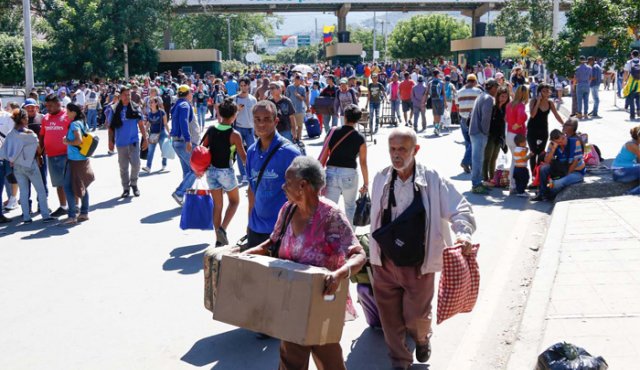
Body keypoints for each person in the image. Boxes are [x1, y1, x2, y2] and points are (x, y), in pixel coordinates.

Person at [245, 156, 366, 370]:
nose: (283, 187)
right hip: (291, 300)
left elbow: (358, 255)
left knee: (329, 361)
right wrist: (247, 254)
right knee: (291, 359)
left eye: (287, 182)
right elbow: (273, 241)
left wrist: (339, 274)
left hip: (322, 301)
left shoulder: (331, 216)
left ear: (303, 185)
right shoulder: (288, 209)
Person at [369, 127, 476, 370]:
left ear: (415, 150)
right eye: (392, 149)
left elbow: (460, 208)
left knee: (416, 317)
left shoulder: (432, 179)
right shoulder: (381, 178)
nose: (396, 155)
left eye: (402, 150)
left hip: (419, 265)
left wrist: (463, 233)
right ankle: (400, 362)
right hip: (385, 263)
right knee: (389, 319)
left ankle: (421, 338)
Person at [245, 100, 301, 249]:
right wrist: (249, 223)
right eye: (257, 119)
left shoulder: (290, 153)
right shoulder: (251, 152)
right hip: (255, 229)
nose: (261, 124)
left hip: (282, 230)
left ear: (276, 121)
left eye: (267, 119)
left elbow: (303, 194)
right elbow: (251, 190)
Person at [202, 98, 247, 247]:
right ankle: (223, 229)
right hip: (226, 172)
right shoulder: (234, 134)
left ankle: (218, 239)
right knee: (234, 201)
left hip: (211, 171)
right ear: (234, 116)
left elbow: (202, 149)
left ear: (219, 113)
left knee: (218, 205)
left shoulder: (211, 130)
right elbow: (243, 157)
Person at [0, 109, 53, 225]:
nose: (28, 119)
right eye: (26, 118)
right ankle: (45, 215)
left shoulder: (10, 134)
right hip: (31, 165)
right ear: (23, 120)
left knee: (23, 192)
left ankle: (26, 217)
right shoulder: (30, 134)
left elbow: (3, 152)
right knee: (41, 190)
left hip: (17, 166)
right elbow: (39, 150)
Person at [319, 104, 368, 228]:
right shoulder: (360, 137)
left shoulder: (333, 131)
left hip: (331, 173)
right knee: (350, 206)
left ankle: (328, 236)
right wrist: (366, 183)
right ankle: (351, 238)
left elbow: (325, 153)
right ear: (357, 120)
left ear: (344, 117)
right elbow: (363, 162)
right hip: (349, 174)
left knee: (329, 207)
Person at [109, 86, 147, 198]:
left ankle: (134, 184)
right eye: (125, 95)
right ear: (120, 96)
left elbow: (141, 124)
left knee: (136, 164)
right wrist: (110, 141)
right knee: (123, 167)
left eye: (129, 95)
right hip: (121, 143)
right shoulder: (114, 109)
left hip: (133, 141)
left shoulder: (135, 108)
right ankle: (126, 188)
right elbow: (111, 127)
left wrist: (145, 138)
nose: (127, 97)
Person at [533, 122, 585, 201]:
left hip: (575, 172)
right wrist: (553, 149)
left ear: (564, 135)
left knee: (557, 183)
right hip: (561, 170)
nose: (562, 142)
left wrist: (566, 175)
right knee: (543, 168)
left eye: (563, 139)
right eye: (559, 142)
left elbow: (576, 161)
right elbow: (547, 161)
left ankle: (547, 194)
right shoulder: (552, 145)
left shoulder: (575, 142)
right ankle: (542, 193)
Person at [60, 103, 94, 225]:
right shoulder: (83, 122)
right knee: (83, 185)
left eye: (68, 111)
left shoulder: (74, 124)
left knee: (67, 187)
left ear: (73, 112)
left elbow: (78, 140)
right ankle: (84, 212)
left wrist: (67, 141)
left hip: (75, 160)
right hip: (83, 158)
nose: (66, 114)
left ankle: (72, 215)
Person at [40, 94, 69, 217]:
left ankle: (76, 207)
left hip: (66, 155)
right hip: (51, 156)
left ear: (58, 104)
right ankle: (63, 207)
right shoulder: (45, 118)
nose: (48, 108)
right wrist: (40, 152)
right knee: (58, 183)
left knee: (70, 183)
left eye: (50, 106)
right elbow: (42, 135)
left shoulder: (67, 116)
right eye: (46, 106)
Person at [469, 79, 499, 194]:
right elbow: (486, 119)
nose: (497, 90)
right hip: (480, 133)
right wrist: (485, 132)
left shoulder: (481, 96)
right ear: (492, 87)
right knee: (478, 159)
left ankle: (478, 182)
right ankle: (476, 184)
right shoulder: (488, 99)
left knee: (477, 159)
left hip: (475, 131)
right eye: (496, 87)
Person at [527, 83, 564, 174]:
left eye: (547, 91)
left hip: (543, 130)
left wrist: (564, 124)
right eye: (544, 91)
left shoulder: (550, 103)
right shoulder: (533, 101)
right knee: (533, 152)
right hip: (532, 129)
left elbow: (556, 115)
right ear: (539, 92)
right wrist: (538, 102)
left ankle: (539, 173)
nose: (546, 93)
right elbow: (532, 115)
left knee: (541, 153)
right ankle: (533, 174)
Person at [170, 85, 196, 205]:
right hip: (182, 142)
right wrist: (188, 140)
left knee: (187, 171)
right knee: (196, 169)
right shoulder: (185, 105)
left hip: (176, 141)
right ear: (187, 93)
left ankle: (187, 197)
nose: (192, 94)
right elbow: (183, 122)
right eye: (191, 92)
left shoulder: (176, 105)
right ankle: (179, 193)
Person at [232, 76, 258, 184]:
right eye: (241, 85)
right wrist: (237, 110)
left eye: (245, 85)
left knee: (252, 151)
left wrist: (257, 129)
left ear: (248, 86)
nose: (243, 87)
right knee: (239, 152)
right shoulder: (235, 99)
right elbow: (231, 115)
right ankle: (243, 175)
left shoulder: (253, 99)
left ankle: (251, 173)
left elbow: (256, 115)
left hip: (250, 128)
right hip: (238, 128)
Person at [457, 74, 483, 173]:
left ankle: (470, 163)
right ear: (475, 81)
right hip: (474, 119)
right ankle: (466, 161)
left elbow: (458, 105)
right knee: (475, 142)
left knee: (468, 142)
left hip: (463, 119)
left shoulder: (459, 92)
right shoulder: (478, 91)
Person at [483, 86, 509, 186]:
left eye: (505, 97)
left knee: (494, 158)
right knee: (487, 157)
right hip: (490, 135)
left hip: (499, 136)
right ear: (498, 96)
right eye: (502, 96)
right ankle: (485, 178)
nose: (503, 99)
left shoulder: (504, 108)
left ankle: (492, 178)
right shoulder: (493, 107)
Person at [506, 85, 529, 193]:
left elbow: (506, 118)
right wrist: (519, 123)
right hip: (517, 136)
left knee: (514, 161)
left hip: (510, 135)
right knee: (518, 162)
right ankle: (514, 185)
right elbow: (520, 116)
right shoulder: (520, 105)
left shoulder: (510, 104)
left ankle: (512, 185)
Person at [141, 97, 169, 173]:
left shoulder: (162, 112)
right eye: (149, 102)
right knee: (150, 151)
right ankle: (148, 167)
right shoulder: (149, 113)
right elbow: (149, 123)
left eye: (152, 102)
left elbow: (165, 124)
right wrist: (145, 131)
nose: (150, 103)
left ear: (156, 103)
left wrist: (169, 133)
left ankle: (164, 165)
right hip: (152, 134)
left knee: (164, 150)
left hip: (162, 133)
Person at [611, 125, 640, 195]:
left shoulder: (635, 144)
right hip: (619, 172)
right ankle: (631, 193)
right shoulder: (632, 145)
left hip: (624, 170)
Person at [286, 75, 309, 142]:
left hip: (300, 110)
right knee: (292, 126)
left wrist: (298, 95)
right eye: (296, 79)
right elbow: (287, 97)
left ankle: (298, 139)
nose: (297, 81)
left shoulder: (302, 88)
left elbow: (304, 98)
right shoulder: (289, 87)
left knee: (300, 126)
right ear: (294, 79)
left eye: (299, 80)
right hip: (291, 110)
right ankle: (293, 138)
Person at [623, 50, 640, 121]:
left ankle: (632, 115)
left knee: (631, 99)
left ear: (632, 55)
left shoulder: (629, 62)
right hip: (639, 83)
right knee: (638, 98)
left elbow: (626, 73)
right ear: (638, 55)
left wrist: (624, 81)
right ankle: (639, 110)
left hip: (631, 83)